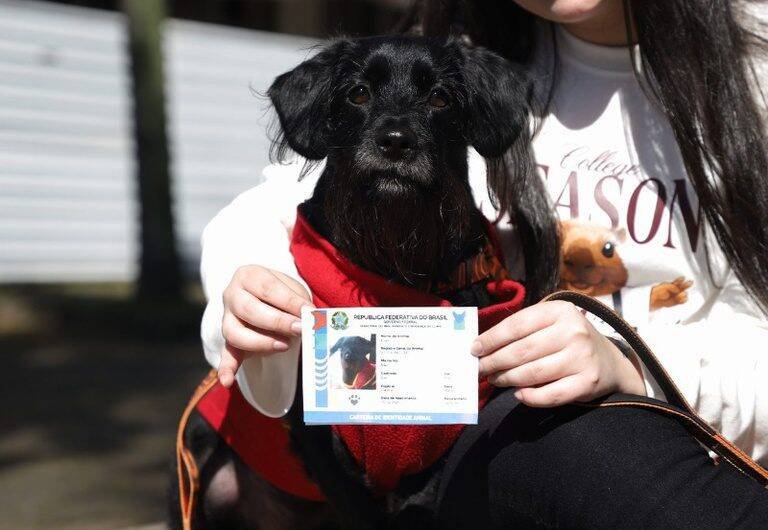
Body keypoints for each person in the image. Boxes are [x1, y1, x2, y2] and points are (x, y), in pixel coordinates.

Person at [198, 0, 768, 525]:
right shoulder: (466, 43)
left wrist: (635, 365)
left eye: (437, 101)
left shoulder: (753, 73)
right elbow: (264, 213)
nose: (397, 129)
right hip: (493, 409)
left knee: (590, 446)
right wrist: (247, 283)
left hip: (690, 429)